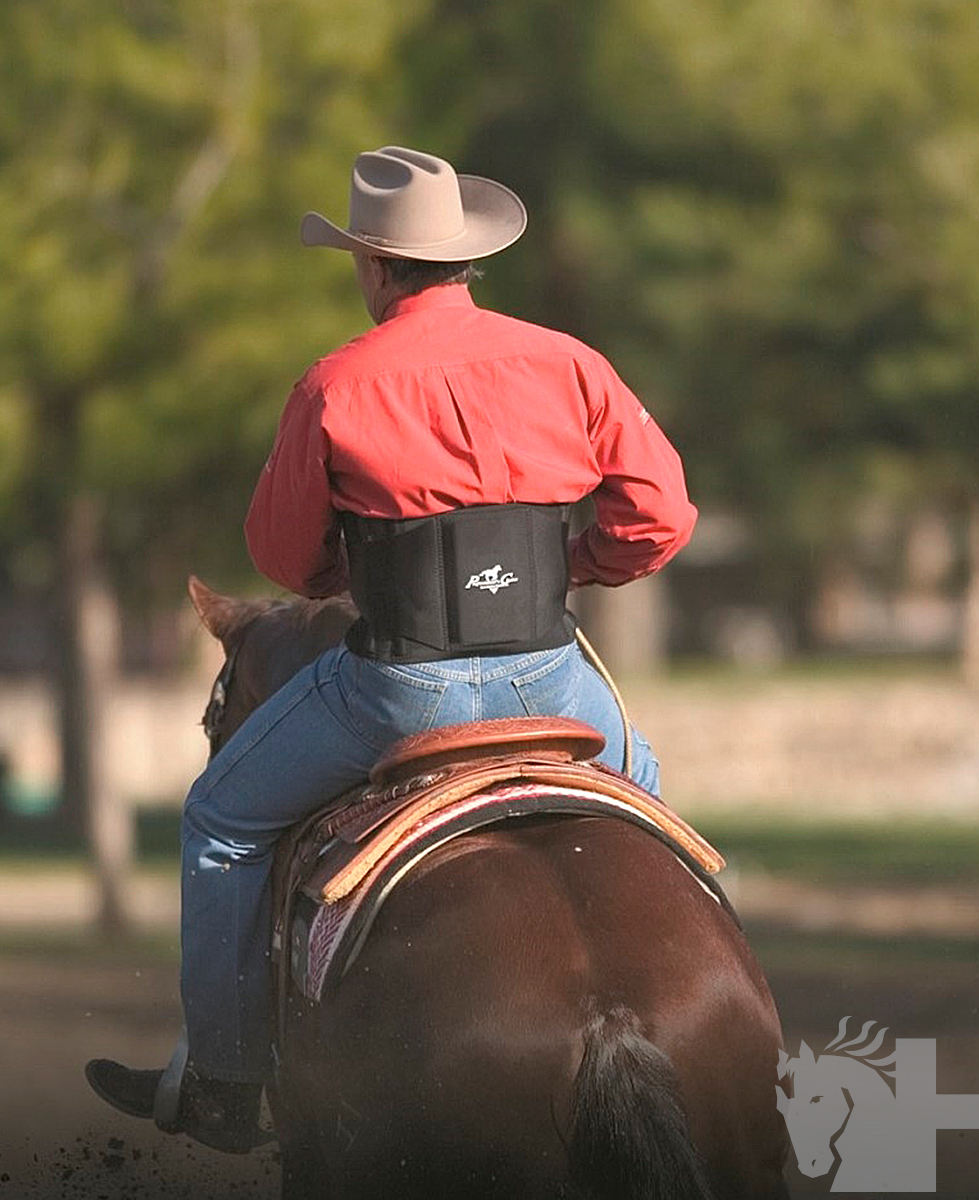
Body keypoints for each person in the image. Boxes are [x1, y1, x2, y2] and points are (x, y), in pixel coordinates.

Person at [85, 146, 696, 1152]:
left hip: (401, 691)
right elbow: (662, 517)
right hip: (555, 678)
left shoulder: (332, 385)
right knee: (649, 806)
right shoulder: (570, 361)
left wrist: (348, 574)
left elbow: (282, 555)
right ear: (464, 259)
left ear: (373, 266)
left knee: (222, 821)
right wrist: (573, 562)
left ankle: (228, 1083)